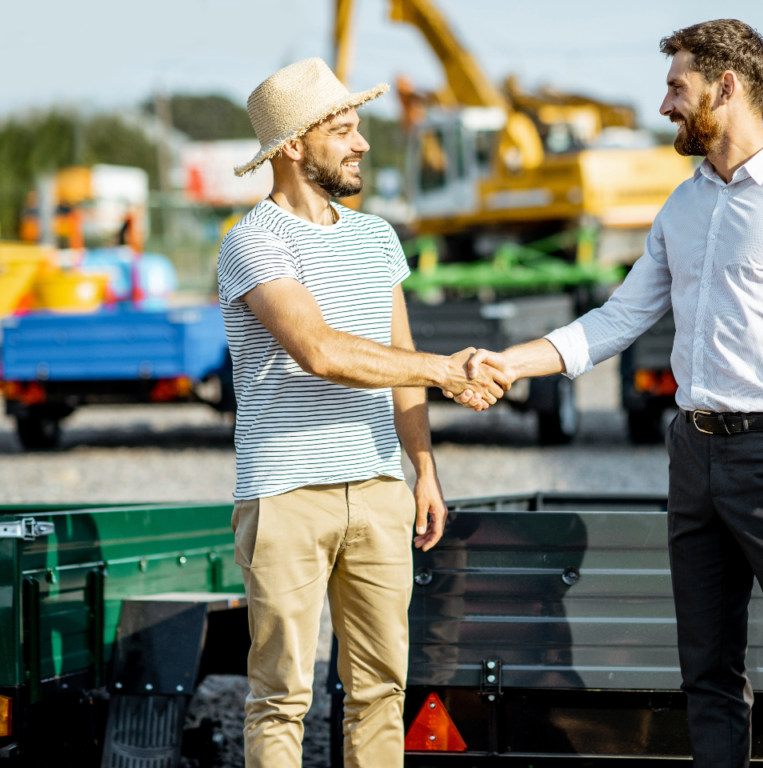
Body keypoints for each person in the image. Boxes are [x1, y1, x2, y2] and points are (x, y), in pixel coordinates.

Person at [458, 20, 763, 768]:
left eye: (676, 88)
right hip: (693, 455)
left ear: (727, 87)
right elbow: (617, 318)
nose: (664, 107)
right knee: (708, 677)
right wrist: (513, 364)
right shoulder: (682, 208)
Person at [218, 57, 507, 768]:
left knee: (382, 690)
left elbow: (396, 357)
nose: (361, 144)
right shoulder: (253, 240)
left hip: (379, 489)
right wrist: (445, 371)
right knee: (283, 695)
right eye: (343, 131)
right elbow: (318, 349)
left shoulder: (378, 236)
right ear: (293, 147)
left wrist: (424, 472)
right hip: (285, 493)